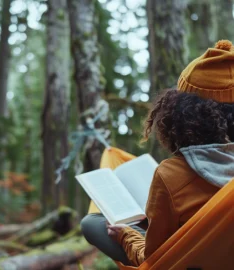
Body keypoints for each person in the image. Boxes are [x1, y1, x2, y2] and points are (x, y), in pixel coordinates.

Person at [81, 39, 234, 266]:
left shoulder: (171, 175)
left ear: (180, 111)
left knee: (92, 223)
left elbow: (155, 260)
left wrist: (126, 235)